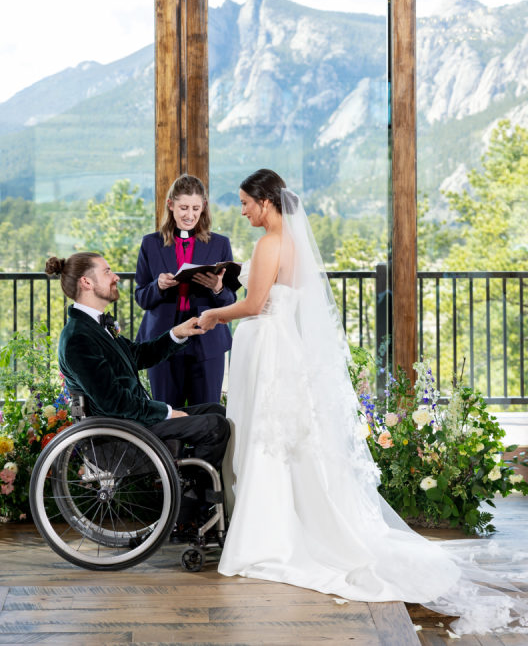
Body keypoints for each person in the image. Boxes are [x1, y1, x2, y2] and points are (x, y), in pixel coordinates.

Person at [197, 169, 528, 635]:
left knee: (264, 436)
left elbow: (254, 306)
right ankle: (289, 520)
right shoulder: (291, 243)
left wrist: (213, 313)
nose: (244, 211)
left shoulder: (269, 242)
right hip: (282, 345)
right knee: (283, 438)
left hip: (267, 346)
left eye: (246, 203)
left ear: (266, 202)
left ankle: (266, 536)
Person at [45, 252, 229, 469]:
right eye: (107, 272)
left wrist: (177, 333)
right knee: (215, 426)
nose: (116, 277)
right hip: (118, 437)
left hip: (132, 424)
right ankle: (193, 489)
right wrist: (168, 412)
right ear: (86, 282)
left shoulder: (94, 326)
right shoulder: (78, 338)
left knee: (217, 411)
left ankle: (194, 482)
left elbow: (137, 355)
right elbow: (115, 402)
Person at [135, 174, 238, 406]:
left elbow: (230, 301)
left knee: (208, 414)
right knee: (166, 414)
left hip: (207, 340)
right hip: (163, 340)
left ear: (204, 207)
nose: (189, 215)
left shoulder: (220, 244)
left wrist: (218, 288)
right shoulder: (150, 244)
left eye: (195, 208)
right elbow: (141, 297)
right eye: (183, 208)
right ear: (171, 205)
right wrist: (157, 286)